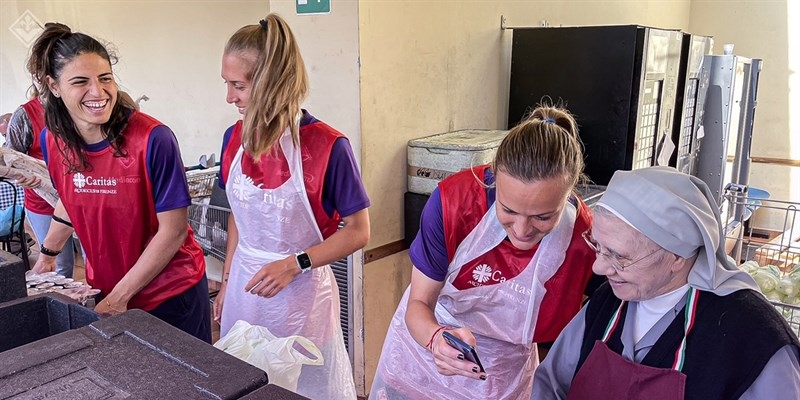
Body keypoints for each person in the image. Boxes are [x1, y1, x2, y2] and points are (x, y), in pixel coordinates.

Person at [370, 105, 600, 400]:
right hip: (425, 357)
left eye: (543, 217)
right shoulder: (454, 203)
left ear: (568, 194)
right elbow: (419, 303)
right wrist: (436, 337)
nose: (521, 230)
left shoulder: (583, 238)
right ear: (493, 177)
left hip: (502, 375)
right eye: (508, 210)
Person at [532, 166, 800, 399]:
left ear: (676, 257)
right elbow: (551, 384)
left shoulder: (753, 338)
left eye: (619, 256)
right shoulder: (607, 302)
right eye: (598, 247)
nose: (598, 267)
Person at [212, 14, 370, 400]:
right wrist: (227, 280)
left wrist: (294, 263)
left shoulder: (328, 146)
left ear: (271, 83)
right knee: (245, 383)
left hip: (301, 295)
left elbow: (359, 231)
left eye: (239, 86)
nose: (230, 97)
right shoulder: (233, 139)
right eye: (227, 84)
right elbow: (240, 216)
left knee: (304, 387)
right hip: (246, 289)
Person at [26, 23, 211, 343]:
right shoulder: (53, 141)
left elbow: (174, 231)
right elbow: (72, 198)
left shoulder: (153, 139)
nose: (97, 92)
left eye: (105, 78)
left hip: (169, 295)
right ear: (53, 86)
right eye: (80, 82)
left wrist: (119, 297)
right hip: (108, 291)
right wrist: (47, 255)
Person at [5, 24, 76, 277]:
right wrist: (27, 176)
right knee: (59, 266)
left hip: (82, 200)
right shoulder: (26, 116)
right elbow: (10, 160)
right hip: (44, 204)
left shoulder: (79, 109)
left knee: (94, 262)